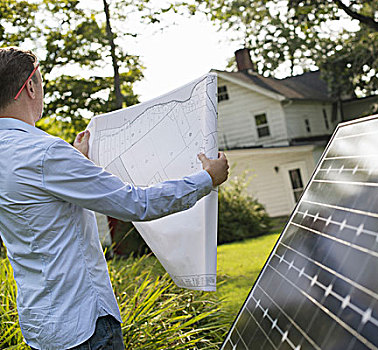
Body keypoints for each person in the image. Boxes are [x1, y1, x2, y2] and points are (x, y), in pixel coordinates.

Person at [0, 47, 229, 350]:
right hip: (84, 328)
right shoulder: (46, 153)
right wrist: (207, 179)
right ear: (30, 86)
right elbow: (136, 204)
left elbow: (39, 206)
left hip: (42, 328)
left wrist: (76, 160)